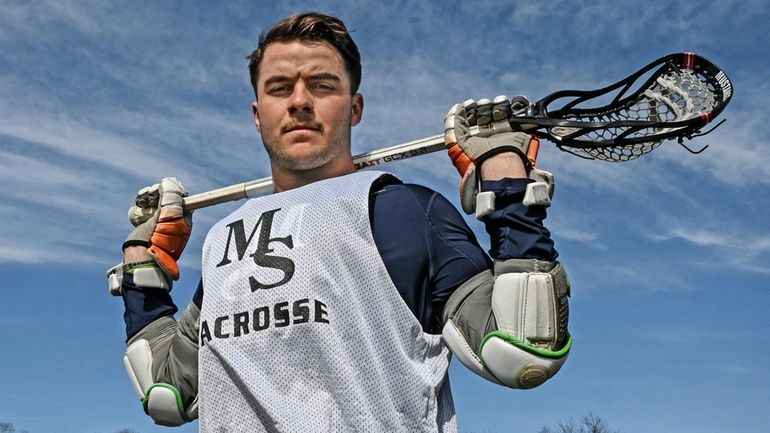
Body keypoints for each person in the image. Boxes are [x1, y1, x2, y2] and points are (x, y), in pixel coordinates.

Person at [115, 11, 571, 433]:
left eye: (321, 85)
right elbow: (168, 394)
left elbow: (520, 349)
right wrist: (143, 264)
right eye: (279, 88)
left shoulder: (405, 211)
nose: (299, 102)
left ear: (354, 109)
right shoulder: (224, 243)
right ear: (258, 116)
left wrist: (507, 180)